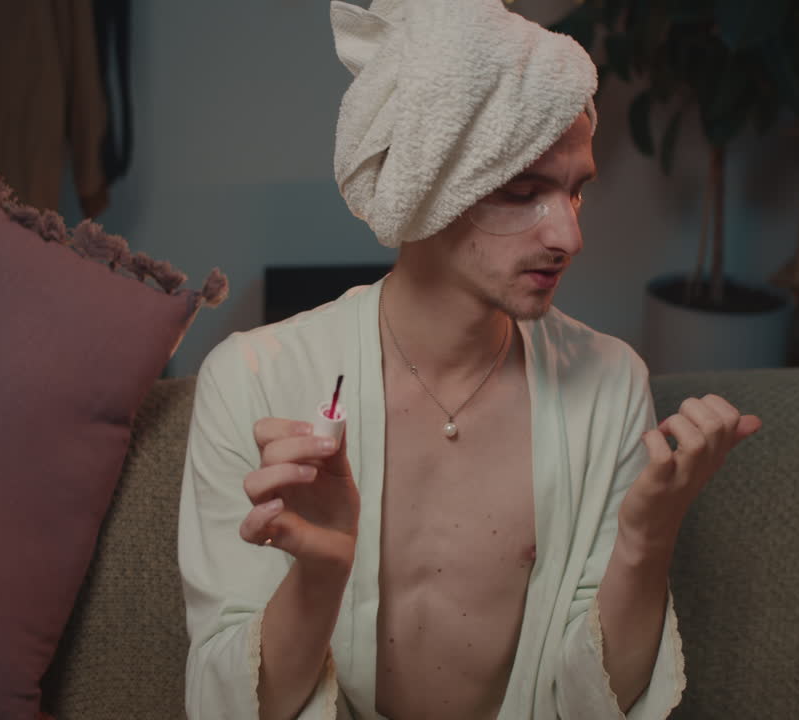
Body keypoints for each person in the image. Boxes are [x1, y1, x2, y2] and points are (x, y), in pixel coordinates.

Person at [178, 1, 762, 718]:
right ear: (427, 186)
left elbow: (593, 706)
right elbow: (227, 705)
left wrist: (647, 539)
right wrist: (320, 572)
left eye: (576, 192)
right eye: (524, 193)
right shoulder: (253, 380)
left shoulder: (610, 384)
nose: (569, 237)